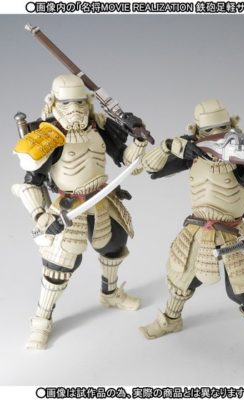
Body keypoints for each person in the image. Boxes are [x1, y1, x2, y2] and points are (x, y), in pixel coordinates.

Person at [140, 99, 244, 380]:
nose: (216, 135)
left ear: (231, 126)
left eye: (222, 128)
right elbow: (150, 168)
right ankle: (170, 320)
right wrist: (168, 145)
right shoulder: (194, 152)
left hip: (232, 232)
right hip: (197, 230)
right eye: (209, 130)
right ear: (198, 131)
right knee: (179, 280)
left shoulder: (242, 155)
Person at [13, 74, 147, 350]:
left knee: (114, 245)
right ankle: (42, 319)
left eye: (80, 102)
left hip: (102, 198)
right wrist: (40, 216)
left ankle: (110, 293)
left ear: (88, 102)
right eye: (66, 103)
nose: (74, 108)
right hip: (68, 205)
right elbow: (31, 182)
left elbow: (125, 159)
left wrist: (140, 141)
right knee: (59, 266)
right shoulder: (47, 135)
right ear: (53, 103)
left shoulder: (99, 126)